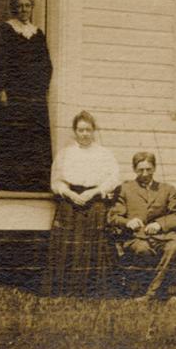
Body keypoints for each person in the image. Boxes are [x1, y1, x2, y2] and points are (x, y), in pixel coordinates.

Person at [42, 111, 120, 297]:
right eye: (80, 130)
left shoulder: (104, 154)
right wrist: (69, 193)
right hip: (70, 203)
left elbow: (114, 179)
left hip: (95, 202)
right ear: (75, 131)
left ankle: (94, 291)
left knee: (96, 245)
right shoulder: (65, 154)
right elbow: (56, 181)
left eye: (88, 130)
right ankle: (68, 290)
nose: (84, 134)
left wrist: (93, 192)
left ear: (94, 131)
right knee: (70, 246)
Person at [108, 151, 176, 301]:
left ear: (154, 168)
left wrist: (159, 224)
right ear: (134, 169)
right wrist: (128, 222)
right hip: (136, 237)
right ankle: (159, 293)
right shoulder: (125, 189)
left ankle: (150, 295)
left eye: (148, 169)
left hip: (163, 236)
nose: (145, 173)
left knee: (173, 247)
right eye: (140, 170)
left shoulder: (167, 189)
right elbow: (113, 217)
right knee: (142, 249)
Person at [0, 0, 52, 191]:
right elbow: (0, 60)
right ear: (13, 9)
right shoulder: (6, 30)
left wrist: (41, 87)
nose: (24, 10)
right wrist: (1, 88)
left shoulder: (37, 33)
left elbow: (46, 64)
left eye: (28, 6)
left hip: (34, 95)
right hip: (14, 93)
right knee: (14, 136)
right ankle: (12, 182)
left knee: (33, 137)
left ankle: (34, 183)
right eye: (20, 6)